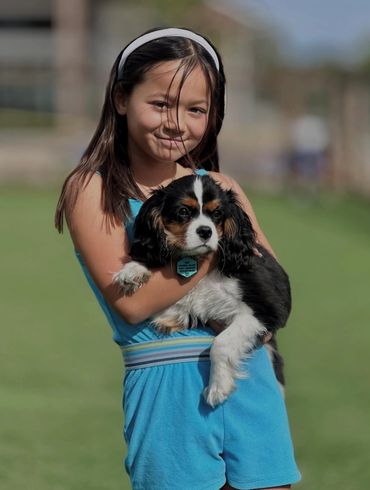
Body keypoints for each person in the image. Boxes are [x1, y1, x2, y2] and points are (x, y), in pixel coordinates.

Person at [55, 27, 301, 490]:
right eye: (161, 104)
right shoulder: (94, 188)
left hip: (251, 381)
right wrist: (213, 243)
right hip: (167, 391)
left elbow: (272, 289)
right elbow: (132, 303)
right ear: (122, 98)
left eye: (196, 110)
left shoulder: (224, 187)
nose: (177, 124)